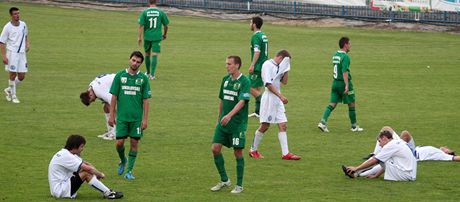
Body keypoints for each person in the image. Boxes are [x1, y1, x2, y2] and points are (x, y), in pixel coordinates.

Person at [249, 50, 301, 160]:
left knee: (283, 125)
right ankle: (253, 150)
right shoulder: (267, 65)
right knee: (265, 126)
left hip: (277, 100)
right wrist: (280, 96)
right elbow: (268, 84)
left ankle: (285, 153)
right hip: (269, 99)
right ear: (281, 58)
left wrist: (286, 69)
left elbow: (284, 82)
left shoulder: (280, 66)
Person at [210, 55, 250, 194]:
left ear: (237, 65)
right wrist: (219, 118)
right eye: (226, 63)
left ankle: (239, 185)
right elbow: (222, 100)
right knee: (215, 148)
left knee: (237, 152)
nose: (227, 66)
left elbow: (242, 102)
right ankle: (225, 180)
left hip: (237, 124)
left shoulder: (245, 81)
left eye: (229, 64)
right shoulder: (225, 80)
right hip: (223, 122)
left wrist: (229, 115)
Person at [108, 51, 151, 180]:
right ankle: (123, 159)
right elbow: (114, 97)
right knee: (119, 143)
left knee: (134, 143)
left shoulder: (143, 78)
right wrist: (111, 115)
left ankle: (129, 172)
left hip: (136, 119)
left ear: (141, 64)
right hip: (122, 118)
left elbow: (146, 100)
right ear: (129, 60)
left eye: (138, 62)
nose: (135, 63)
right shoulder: (120, 76)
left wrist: (145, 119)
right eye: (133, 60)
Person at [48, 134, 123, 199]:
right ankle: (108, 193)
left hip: (61, 187)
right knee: (86, 173)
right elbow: (88, 169)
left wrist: (95, 173)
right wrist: (100, 174)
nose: (82, 149)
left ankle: (108, 192)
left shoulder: (67, 153)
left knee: (86, 171)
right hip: (60, 190)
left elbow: (86, 164)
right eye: (81, 146)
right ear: (74, 146)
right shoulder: (66, 156)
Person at [318, 37, 363, 133]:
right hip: (343, 83)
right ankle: (354, 126)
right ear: (345, 44)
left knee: (332, 104)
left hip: (335, 83)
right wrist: (346, 85)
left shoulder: (335, 55)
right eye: (349, 43)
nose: (350, 45)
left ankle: (322, 122)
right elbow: (344, 71)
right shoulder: (345, 57)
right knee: (351, 103)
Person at [342, 130, 417, 181]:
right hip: (410, 174)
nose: (380, 145)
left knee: (377, 158)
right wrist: (376, 176)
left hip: (405, 175)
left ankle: (355, 172)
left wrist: (356, 168)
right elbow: (385, 165)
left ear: (384, 138)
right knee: (381, 158)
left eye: (379, 141)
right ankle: (356, 174)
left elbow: (375, 161)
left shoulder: (390, 145)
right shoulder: (396, 142)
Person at [1, 7, 29, 104]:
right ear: (11, 15)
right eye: (15, 14)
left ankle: (9, 89)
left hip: (22, 54)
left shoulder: (23, 24)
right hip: (12, 53)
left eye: (18, 13)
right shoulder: (7, 27)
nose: (17, 15)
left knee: (21, 76)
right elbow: (1, 42)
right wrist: (4, 56)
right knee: (12, 75)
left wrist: (27, 44)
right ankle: (13, 96)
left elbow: (26, 35)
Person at [137, 0, 169, 80]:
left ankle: (147, 73)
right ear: (156, 2)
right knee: (154, 54)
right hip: (157, 37)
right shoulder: (160, 12)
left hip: (147, 36)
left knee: (147, 54)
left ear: (149, 2)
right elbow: (166, 25)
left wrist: (139, 37)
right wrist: (164, 34)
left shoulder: (145, 12)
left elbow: (141, 26)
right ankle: (152, 75)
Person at [80, 73, 116, 140]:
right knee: (105, 107)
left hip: (122, 83)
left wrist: (112, 117)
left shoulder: (98, 91)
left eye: (92, 100)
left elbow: (112, 102)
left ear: (90, 95)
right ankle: (110, 131)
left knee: (112, 108)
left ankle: (114, 133)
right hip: (115, 81)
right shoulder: (91, 87)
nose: (94, 101)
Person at [248, 16, 268, 118]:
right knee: (257, 88)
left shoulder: (255, 36)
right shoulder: (263, 35)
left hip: (258, 66)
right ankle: (258, 112)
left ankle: (264, 102)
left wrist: (252, 65)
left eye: (250, 22)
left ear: (254, 24)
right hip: (264, 65)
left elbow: (257, 51)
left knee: (247, 85)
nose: (249, 24)